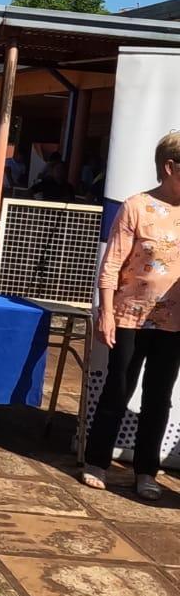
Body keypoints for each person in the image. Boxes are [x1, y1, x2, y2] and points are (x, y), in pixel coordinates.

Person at [81, 131, 180, 501]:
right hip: (129, 317)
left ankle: (145, 471)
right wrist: (105, 312)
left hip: (174, 323)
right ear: (169, 167)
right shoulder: (136, 206)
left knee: (159, 397)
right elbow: (111, 266)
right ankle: (96, 461)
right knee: (118, 389)